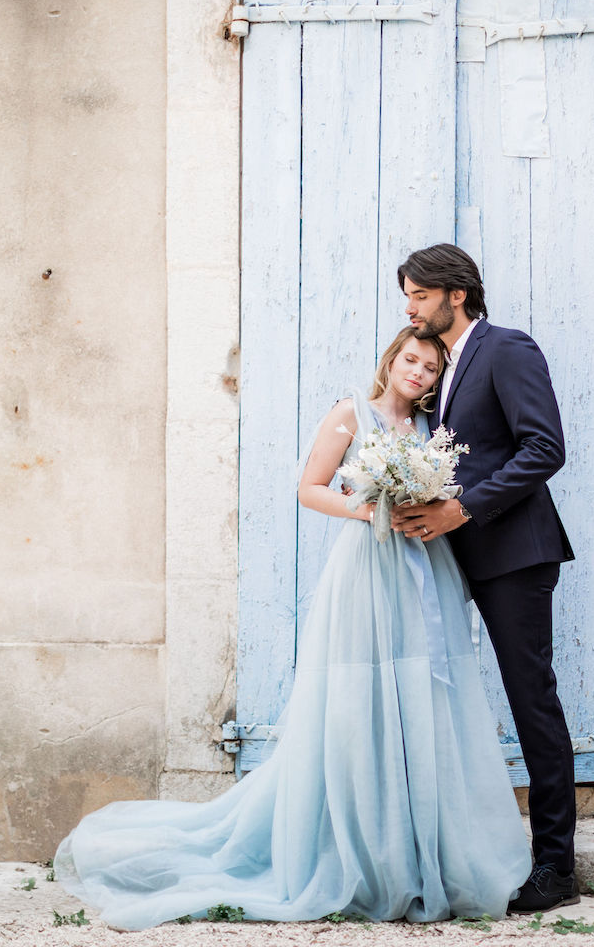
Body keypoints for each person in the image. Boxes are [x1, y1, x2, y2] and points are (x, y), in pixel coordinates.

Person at [52, 330, 531, 930]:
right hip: (369, 570)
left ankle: (420, 849)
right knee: (362, 701)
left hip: (424, 568)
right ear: (392, 360)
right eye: (411, 360)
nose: (419, 373)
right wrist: (369, 506)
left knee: (424, 695)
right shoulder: (350, 412)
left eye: (431, 368)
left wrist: (425, 500)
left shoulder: (432, 432)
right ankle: (360, 851)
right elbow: (310, 489)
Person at [388, 243, 579, 914]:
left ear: (456, 294)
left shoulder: (506, 348)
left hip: (515, 556)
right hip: (459, 557)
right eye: (407, 296)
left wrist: (460, 507)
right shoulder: (448, 366)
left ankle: (557, 868)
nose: (409, 308)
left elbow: (545, 447)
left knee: (533, 702)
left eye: (417, 294)